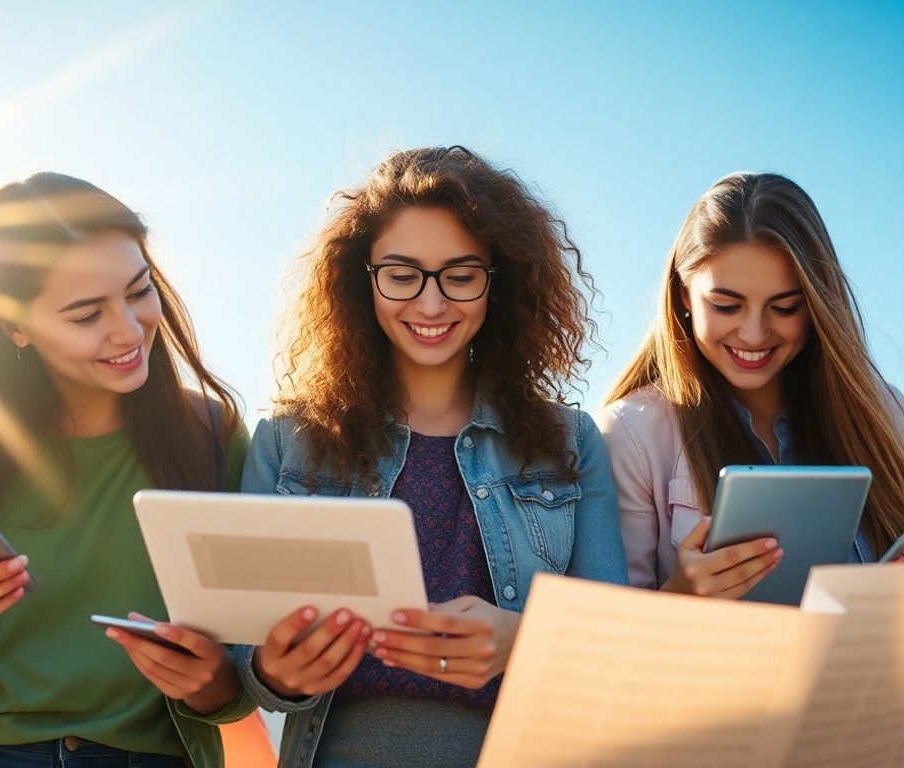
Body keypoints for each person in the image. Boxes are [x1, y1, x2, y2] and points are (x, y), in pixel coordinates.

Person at [596, 171, 904, 765]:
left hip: (884, 715)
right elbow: (597, 658)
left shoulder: (880, 413)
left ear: (819, 304)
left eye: (785, 307)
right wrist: (682, 599)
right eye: (725, 305)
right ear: (681, 295)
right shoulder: (634, 432)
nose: (754, 333)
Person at [234, 146, 628, 767]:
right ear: (360, 279)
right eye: (402, 273)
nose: (431, 304)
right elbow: (241, 664)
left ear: (499, 284)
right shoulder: (287, 439)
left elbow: (614, 647)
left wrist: (522, 639)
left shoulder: (570, 441)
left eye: (460, 275)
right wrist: (276, 669)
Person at [0, 172, 255, 768]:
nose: (128, 329)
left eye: (139, 290)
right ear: (14, 327)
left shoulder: (211, 438)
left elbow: (240, 688)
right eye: (86, 314)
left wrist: (207, 676)